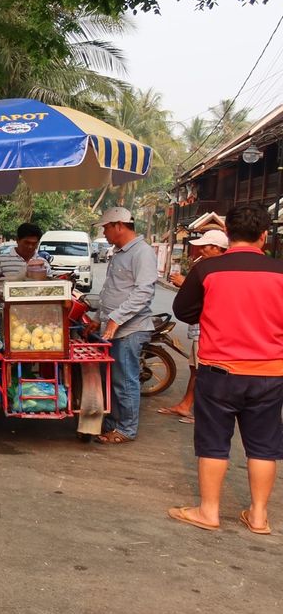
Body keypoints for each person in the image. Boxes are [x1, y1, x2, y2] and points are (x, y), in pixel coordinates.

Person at [168, 204, 283, 534]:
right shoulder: (280, 271)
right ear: (264, 236)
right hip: (270, 373)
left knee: (214, 442)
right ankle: (259, 516)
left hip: (219, 370)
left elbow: (185, 311)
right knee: (264, 445)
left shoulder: (207, 270)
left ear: (228, 234)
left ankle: (209, 511)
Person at [87, 206, 157, 444]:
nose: (104, 233)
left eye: (106, 228)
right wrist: (98, 318)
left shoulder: (142, 252)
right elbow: (111, 290)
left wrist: (116, 318)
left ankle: (126, 428)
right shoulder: (119, 252)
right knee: (113, 378)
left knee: (125, 379)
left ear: (119, 225)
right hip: (113, 327)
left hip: (130, 329)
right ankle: (112, 422)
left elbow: (143, 292)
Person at [158, 229, 228, 422]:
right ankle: (186, 405)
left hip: (207, 329)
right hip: (198, 327)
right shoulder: (207, 267)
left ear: (216, 248)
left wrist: (184, 283)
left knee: (205, 372)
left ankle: (202, 413)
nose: (201, 250)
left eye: (205, 247)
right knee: (195, 370)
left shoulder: (215, 270)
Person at [0, 223, 49, 289]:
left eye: (34, 243)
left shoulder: (44, 263)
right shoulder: (0, 261)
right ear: (17, 240)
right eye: (27, 243)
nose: (30, 246)